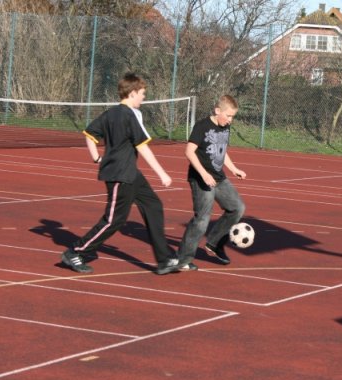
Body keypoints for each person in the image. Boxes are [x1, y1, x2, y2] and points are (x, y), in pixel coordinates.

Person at [61, 72, 179, 275]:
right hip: (119, 175)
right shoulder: (128, 115)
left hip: (131, 173)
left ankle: (164, 259)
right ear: (132, 93)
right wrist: (162, 173)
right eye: (142, 93)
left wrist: (96, 158)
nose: (143, 97)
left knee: (153, 205)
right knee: (114, 220)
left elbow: (89, 135)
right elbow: (142, 147)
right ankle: (75, 251)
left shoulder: (110, 113)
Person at [177, 95, 246, 271]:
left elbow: (222, 151)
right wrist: (204, 174)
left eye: (232, 117)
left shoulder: (225, 127)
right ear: (217, 111)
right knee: (202, 219)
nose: (230, 120)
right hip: (200, 178)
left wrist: (234, 168)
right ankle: (183, 259)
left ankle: (214, 243)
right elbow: (189, 151)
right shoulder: (202, 126)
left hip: (219, 177)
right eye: (228, 116)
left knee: (237, 208)